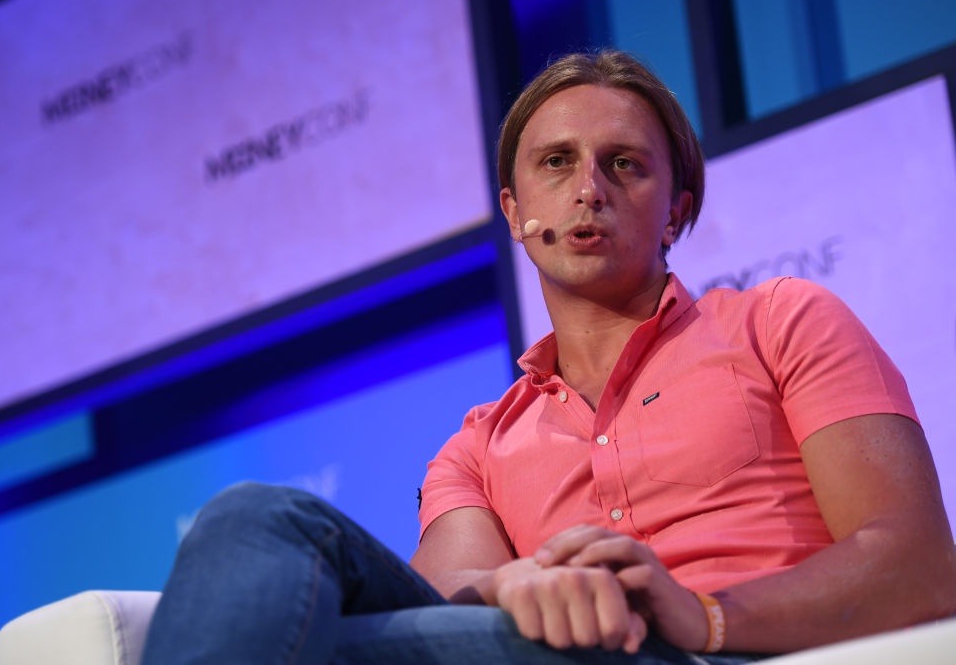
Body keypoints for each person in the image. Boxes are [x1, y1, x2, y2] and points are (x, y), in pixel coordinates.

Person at [141, 50, 956, 664]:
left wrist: (698, 610)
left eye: (624, 164)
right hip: (558, 652)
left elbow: (919, 566)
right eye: (557, 163)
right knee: (252, 515)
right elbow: (455, 605)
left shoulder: (783, 321)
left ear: (675, 212)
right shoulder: (480, 443)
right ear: (516, 210)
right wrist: (517, 584)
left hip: (723, 650)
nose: (588, 188)